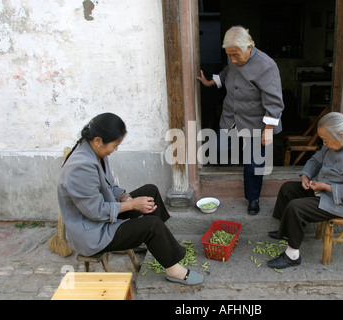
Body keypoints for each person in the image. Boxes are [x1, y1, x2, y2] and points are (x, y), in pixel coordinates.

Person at [57, 113, 203, 285]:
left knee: (150, 191)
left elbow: (109, 185)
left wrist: (124, 196)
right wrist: (132, 204)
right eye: (115, 145)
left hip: (106, 212)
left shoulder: (95, 152)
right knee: (152, 226)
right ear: (98, 140)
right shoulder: (80, 168)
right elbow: (95, 211)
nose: (116, 149)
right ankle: (174, 270)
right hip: (94, 231)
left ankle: (164, 244)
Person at [267, 112, 343, 269]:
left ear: (341, 135)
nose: (324, 144)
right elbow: (316, 159)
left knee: (296, 207)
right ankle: (285, 231)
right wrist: (306, 175)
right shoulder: (337, 141)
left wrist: (325, 187)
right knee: (288, 189)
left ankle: (292, 256)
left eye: (326, 140)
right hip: (327, 190)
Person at [196, 26, 285, 215]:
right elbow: (229, 72)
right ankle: (247, 154)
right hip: (231, 117)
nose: (233, 59)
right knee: (217, 148)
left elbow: (275, 101)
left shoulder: (266, 66)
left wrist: (268, 129)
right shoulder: (234, 59)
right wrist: (211, 82)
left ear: (249, 47)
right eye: (229, 55)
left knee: (253, 164)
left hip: (256, 123)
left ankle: (253, 198)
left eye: (235, 55)